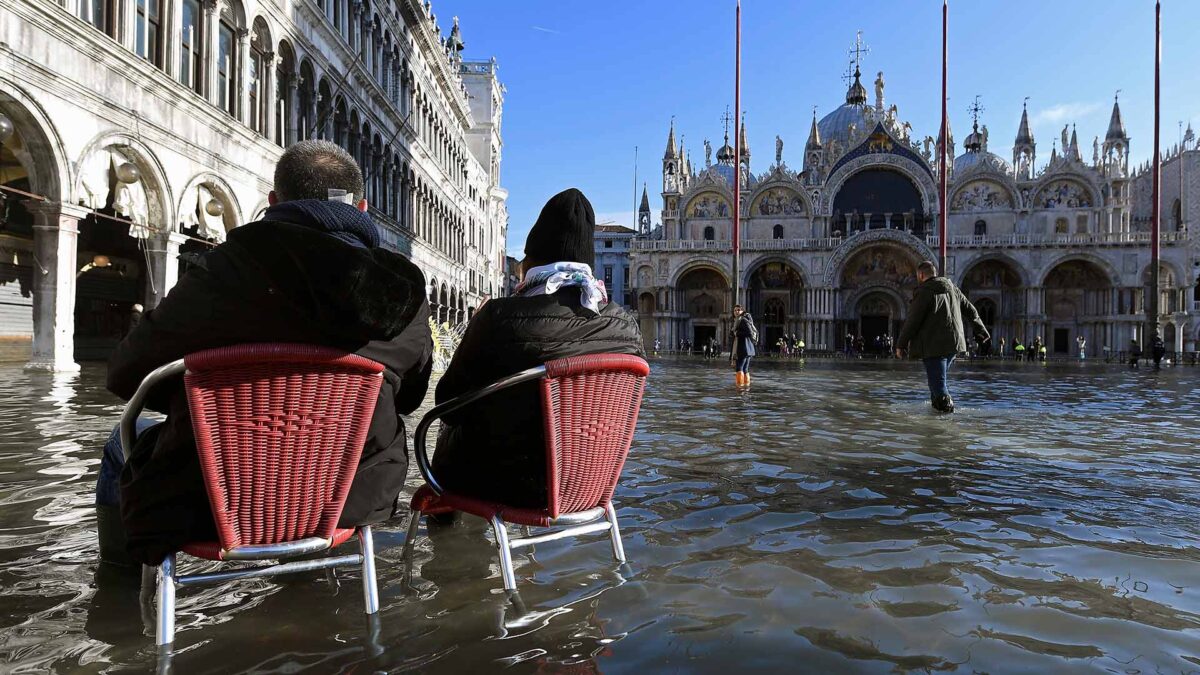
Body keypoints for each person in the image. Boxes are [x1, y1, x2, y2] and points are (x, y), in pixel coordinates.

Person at [101, 140, 433, 566]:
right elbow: (408, 398)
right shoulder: (405, 293)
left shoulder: (221, 271)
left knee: (119, 442)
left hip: (209, 497)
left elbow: (125, 376)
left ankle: (118, 594)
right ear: (363, 208)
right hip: (353, 491)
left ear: (274, 201)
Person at [431, 188, 643, 508]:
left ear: (530, 261)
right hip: (590, 485)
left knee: (449, 437)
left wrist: (476, 329)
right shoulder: (626, 326)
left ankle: (451, 546)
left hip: (507, 486)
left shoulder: (499, 316)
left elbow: (448, 403)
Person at [895, 261, 989, 413]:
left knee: (938, 385)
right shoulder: (952, 288)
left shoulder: (924, 291)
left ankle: (946, 420)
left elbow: (913, 320)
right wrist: (982, 331)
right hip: (953, 344)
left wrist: (901, 344)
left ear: (920, 275)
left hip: (933, 346)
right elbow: (971, 311)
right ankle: (936, 413)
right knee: (937, 382)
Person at [731, 304, 757, 386]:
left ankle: (740, 388)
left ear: (742, 311)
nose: (736, 312)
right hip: (748, 349)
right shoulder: (741, 320)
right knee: (745, 369)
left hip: (743, 348)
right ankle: (746, 387)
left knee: (739, 368)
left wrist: (737, 333)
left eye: (738, 310)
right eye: (735, 310)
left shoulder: (743, 320)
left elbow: (749, 332)